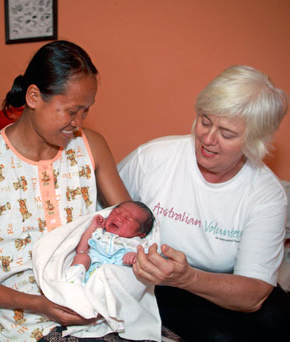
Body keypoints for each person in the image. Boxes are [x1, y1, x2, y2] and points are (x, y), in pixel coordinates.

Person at [0, 40, 131, 342]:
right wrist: (40, 305)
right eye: (72, 111)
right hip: (29, 321)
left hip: (96, 304)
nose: (79, 123)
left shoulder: (91, 147)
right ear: (33, 97)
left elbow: (131, 224)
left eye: (86, 111)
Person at [117, 65, 290, 341]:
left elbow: (254, 292)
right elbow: (102, 212)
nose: (208, 139)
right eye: (205, 121)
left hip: (224, 282)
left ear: (254, 141)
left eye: (227, 134)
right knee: (219, 336)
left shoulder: (266, 193)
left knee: (280, 321)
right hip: (158, 282)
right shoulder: (152, 159)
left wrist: (188, 277)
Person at [68, 201, 155, 284]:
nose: (118, 218)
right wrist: (93, 226)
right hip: (85, 274)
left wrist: (136, 257)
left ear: (140, 234)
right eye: (116, 212)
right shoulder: (100, 233)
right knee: (81, 257)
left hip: (110, 280)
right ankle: (72, 283)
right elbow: (81, 249)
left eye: (127, 219)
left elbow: (148, 265)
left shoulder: (137, 245)